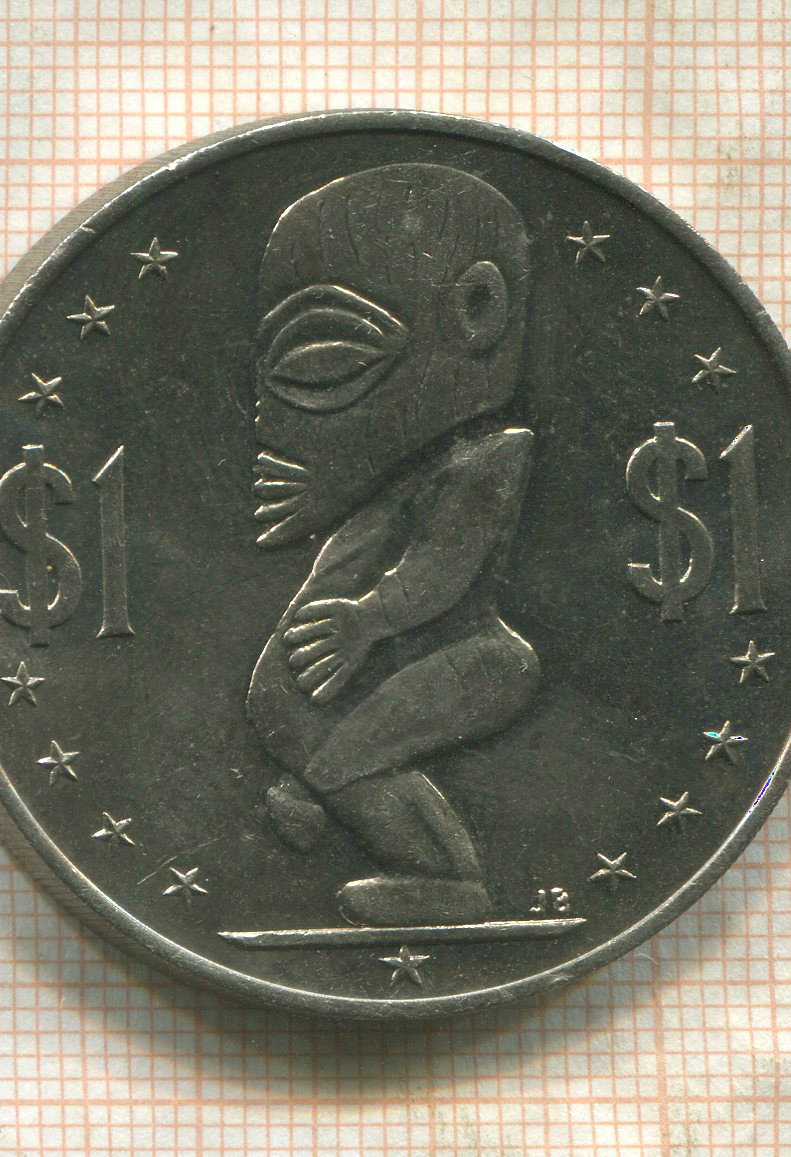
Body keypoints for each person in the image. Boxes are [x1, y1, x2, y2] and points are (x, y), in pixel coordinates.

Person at [246, 163, 539, 927]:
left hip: (471, 655)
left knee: (351, 751)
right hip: (400, 643)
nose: (267, 416)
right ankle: (351, 814)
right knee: (303, 722)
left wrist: (367, 618)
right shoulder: (417, 468)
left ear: (476, 312)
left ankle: (448, 879)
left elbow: (442, 568)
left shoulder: (487, 458)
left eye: (323, 359)